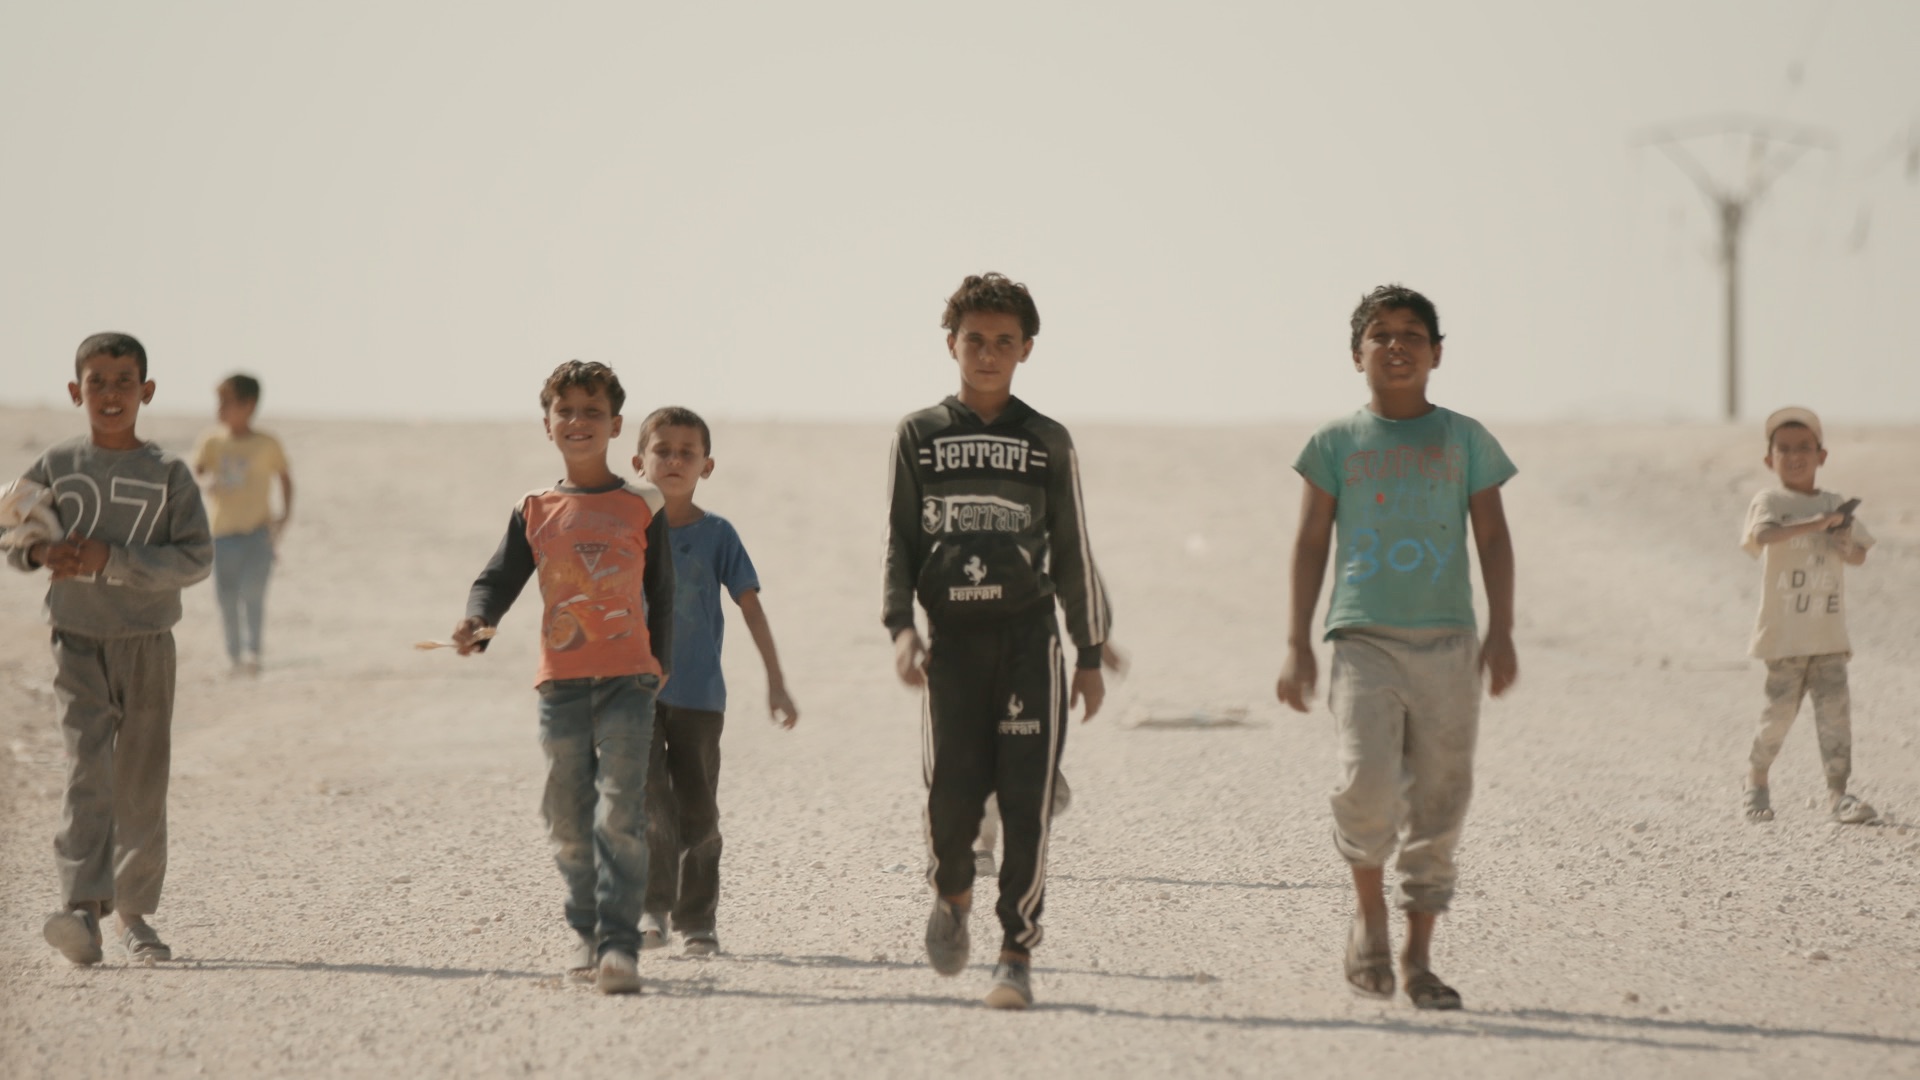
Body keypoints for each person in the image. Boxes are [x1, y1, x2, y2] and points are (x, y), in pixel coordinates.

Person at [1274, 285, 1518, 1011]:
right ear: (1358, 354)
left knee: (1442, 797)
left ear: (1437, 353)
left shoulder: (1465, 439)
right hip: (1361, 638)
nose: (1397, 345)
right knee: (1367, 780)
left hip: (1448, 641)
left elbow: (1494, 537)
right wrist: (1297, 643)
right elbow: (1311, 540)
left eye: (1413, 334)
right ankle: (1369, 915)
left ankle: (1418, 958)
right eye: (1380, 335)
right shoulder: (1334, 443)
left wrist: (1501, 628)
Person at [883, 272, 1112, 1010]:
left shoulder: (1047, 441)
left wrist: (1089, 652)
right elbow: (899, 539)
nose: (987, 354)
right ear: (952, 344)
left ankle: (1016, 950)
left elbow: (1074, 549)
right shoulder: (919, 434)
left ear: (1026, 350)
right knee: (952, 797)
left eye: (1003, 343)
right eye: (975, 340)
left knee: (1026, 798)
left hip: (1029, 641)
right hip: (952, 642)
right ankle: (952, 892)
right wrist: (900, 629)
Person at [448, 360, 674, 995]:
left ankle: (620, 945)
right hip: (561, 684)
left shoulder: (642, 505)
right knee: (567, 818)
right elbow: (497, 582)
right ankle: (586, 928)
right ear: (547, 424)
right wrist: (476, 623)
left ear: (615, 424)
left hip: (630, 680)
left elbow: (664, 594)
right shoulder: (535, 509)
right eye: (566, 410)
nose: (579, 421)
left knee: (619, 815)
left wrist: (664, 669)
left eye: (592, 411)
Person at [7, 333, 213, 966]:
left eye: (124, 381)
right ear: (77, 392)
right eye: (97, 381)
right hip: (76, 638)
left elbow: (196, 557)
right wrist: (43, 552)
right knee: (85, 772)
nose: (111, 393)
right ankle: (79, 912)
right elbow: (17, 534)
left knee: (141, 781)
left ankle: (133, 914)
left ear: (146, 391)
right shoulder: (56, 464)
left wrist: (114, 561)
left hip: (147, 642)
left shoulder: (169, 473)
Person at [631, 405, 798, 957]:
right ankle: (652, 910)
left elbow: (751, 608)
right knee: (651, 802)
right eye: (663, 450)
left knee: (698, 810)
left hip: (701, 698)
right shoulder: (623, 532)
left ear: (707, 465)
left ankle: (698, 919)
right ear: (639, 461)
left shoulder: (718, 534)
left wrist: (776, 681)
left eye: (687, 452)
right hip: (635, 695)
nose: (674, 460)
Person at [1739, 407, 1877, 825]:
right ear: (1769, 460)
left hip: (1828, 635)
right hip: (1783, 637)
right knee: (1777, 717)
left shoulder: (1835, 504)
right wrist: (1815, 524)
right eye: (1784, 449)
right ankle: (1756, 779)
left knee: (1835, 718)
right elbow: (1762, 536)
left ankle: (1839, 795)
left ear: (1822, 455)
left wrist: (1842, 542)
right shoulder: (1770, 501)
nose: (1794, 456)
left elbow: (1859, 556)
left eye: (1804, 448)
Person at [192, 374, 293, 676]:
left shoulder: (266, 443)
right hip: (221, 534)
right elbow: (197, 470)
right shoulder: (212, 441)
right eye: (219, 402)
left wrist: (284, 516)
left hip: (258, 534)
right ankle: (233, 657)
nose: (220, 409)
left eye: (227, 402)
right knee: (226, 596)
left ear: (248, 405)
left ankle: (253, 653)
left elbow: (286, 478)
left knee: (253, 593)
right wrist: (206, 480)